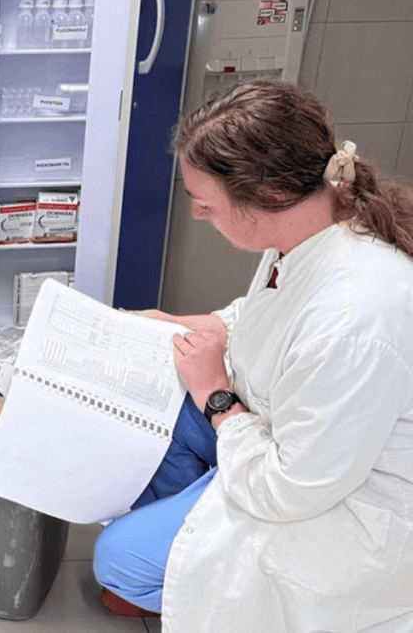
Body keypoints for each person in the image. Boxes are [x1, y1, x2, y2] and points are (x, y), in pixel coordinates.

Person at [91, 80, 413, 631]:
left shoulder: (356, 316)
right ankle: (192, 520)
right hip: (272, 438)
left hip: (338, 504)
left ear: (263, 199)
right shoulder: (305, 235)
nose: (198, 216)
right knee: (151, 402)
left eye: (205, 205)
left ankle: (182, 549)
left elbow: (291, 489)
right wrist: (178, 325)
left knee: (116, 561)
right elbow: (259, 315)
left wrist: (214, 394)